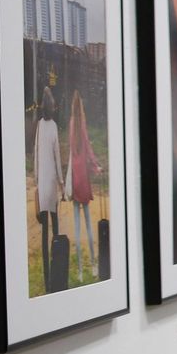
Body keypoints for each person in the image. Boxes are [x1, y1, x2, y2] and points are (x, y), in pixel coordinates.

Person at [65, 88, 102, 282]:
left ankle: (79, 270)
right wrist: (96, 166)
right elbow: (88, 149)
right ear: (82, 108)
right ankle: (94, 265)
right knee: (89, 227)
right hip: (84, 181)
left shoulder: (71, 125)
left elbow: (72, 152)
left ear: (72, 107)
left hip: (74, 179)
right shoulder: (83, 126)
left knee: (77, 230)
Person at [33, 86, 65, 291]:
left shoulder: (39, 125)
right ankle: (57, 269)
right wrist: (61, 182)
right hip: (52, 179)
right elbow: (58, 156)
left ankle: (46, 274)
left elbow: (36, 152)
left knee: (44, 225)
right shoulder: (53, 126)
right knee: (55, 222)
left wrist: (36, 177)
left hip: (42, 179)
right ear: (52, 107)